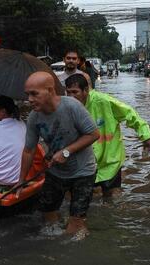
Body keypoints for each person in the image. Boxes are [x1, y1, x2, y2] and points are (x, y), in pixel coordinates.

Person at [17, 71, 99, 237]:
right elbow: (29, 150)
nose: (29, 100)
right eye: (27, 95)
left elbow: (94, 134)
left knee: (75, 224)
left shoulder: (72, 107)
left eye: (34, 94)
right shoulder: (34, 117)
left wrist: (67, 151)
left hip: (83, 171)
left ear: (50, 90)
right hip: (56, 171)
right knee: (48, 217)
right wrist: (21, 180)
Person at [65, 74, 150, 197]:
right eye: (68, 92)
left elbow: (130, 114)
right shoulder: (66, 107)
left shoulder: (104, 101)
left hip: (110, 160)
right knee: (81, 197)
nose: (71, 97)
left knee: (111, 196)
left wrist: (146, 137)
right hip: (85, 162)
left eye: (75, 92)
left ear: (86, 90)